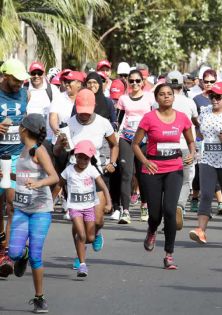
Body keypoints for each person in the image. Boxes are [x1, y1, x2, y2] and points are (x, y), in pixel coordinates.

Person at [133, 83, 195, 269]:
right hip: (152, 169)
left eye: (169, 94)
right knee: (155, 215)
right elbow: (135, 145)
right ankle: (152, 230)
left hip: (174, 168)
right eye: (162, 94)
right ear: (157, 98)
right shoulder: (149, 118)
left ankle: (169, 254)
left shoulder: (182, 118)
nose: (166, 97)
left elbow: (191, 142)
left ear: (173, 97)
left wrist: (192, 154)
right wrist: (145, 161)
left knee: (170, 211)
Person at [54, 89, 118, 262]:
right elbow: (56, 151)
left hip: (95, 173)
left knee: (97, 220)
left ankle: (96, 234)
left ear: (94, 106)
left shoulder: (103, 123)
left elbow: (114, 144)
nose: (83, 115)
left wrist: (112, 162)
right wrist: (61, 144)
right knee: (78, 220)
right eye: (80, 111)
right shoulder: (68, 123)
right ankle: (80, 256)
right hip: (74, 176)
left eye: (87, 112)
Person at [6, 114, 59, 313]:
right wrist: (7, 176)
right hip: (21, 208)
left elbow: (54, 176)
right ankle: (23, 254)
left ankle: (39, 298)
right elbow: (22, 176)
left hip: (40, 210)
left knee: (37, 255)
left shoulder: (39, 150)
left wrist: (39, 183)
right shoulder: (22, 150)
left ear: (24, 130)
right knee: (13, 253)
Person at [188, 82, 222, 244]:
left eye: (218, 97)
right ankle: (201, 230)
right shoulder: (204, 111)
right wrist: (200, 141)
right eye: (212, 96)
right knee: (206, 194)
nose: (214, 100)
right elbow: (199, 130)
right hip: (207, 159)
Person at [57, 140, 111, 278]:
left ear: (90, 158)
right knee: (81, 235)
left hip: (89, 208)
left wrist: (109, 203)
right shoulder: (69, 170)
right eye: (80, 157)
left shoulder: (92, 170)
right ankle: (82, 264)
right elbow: (59, 184)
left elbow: (104, 187)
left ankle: (83, 243)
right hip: (75, 208)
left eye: (86, 158)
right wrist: (51, 202)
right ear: (75, 156)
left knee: (90, 237)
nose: (82, 160)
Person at [0, 59, 29, 278]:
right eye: (15, 80)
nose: (19, 84)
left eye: (22, 80)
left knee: (12, 204)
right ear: (5, 76)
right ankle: (3, 242)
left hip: (15, 156)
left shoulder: (24, 94)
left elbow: (25, 121)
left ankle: (8, 254)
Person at [114, 69, 156, 223]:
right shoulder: (123, 99)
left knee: (142, 174)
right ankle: (125, 211)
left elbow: (154, 118)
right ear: (128, 82)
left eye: (137, 81)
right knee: (126, 173)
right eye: (131, 81)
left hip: (144, 140)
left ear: (142, 82)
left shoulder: (149, 98)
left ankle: (144, 205)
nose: (134, 84)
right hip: (127, 138)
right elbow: (117, 121)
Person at [166, 71, 200, 221]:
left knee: (167, 179)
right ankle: (179, 205)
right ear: (182, 85)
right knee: (186, 180)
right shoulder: (190, 102)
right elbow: (196, 122)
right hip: (185, 145)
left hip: (164, 147)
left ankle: (169, 207)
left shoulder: (158, 102)